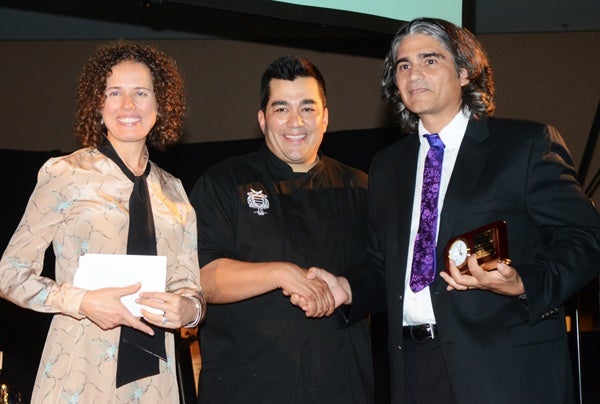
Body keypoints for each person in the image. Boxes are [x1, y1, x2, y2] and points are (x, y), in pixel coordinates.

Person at [300, 17, 600, 403]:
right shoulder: (388, 166)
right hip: (413, 367)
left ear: (463, 72)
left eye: (429, 60)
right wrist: (347, 288)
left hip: (505, 371)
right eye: (403, 66)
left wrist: (524, 281)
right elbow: (383, 264)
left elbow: (586, 237)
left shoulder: (524, 146)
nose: (413, 74)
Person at [0, 41, 205, 403]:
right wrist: (81, 301)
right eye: (114, 92)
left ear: (161, 104)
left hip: (156, 380)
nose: (128, 105)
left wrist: (190, 310)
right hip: (80, 366)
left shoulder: (174, 192)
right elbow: (10, 273)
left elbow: (189, 285)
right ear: (98, 103)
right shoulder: (65, 174)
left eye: (141, 93)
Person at [188, 55, 373, 403]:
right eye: (281, 108)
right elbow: (200, 278)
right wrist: (279, 273)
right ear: (262, 119)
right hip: (246, 388)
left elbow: (384, 276)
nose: (296, 121)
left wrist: (346, 288)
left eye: (307, 108)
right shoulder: (223, 183)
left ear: (326, 117)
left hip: (342, 387)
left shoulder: (361, 188)